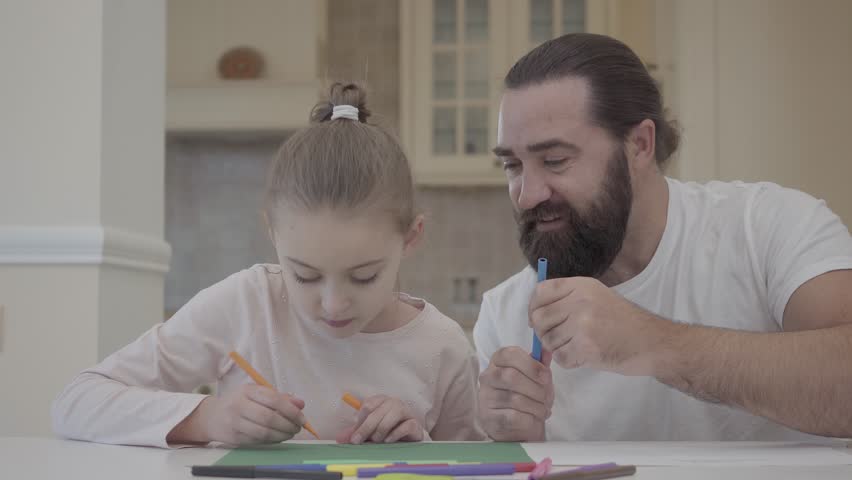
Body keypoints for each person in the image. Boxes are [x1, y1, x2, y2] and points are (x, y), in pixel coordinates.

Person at [52, 83, 484, 448]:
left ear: (411, 237)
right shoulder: (245, 304)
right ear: (273, 235)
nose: (332, 305)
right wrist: (208, 419)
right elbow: (75, 404)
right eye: (305, 275)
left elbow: (482, 466)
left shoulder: (443, 349)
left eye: (363, 276)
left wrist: (419, 445)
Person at [474, 33, 852, 442]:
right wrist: (513, 446)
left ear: (639, 145)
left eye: (555, 161)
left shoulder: (766, 227)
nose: (527, 195)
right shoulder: (504, 316)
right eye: (512, 165)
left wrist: (652, 343)